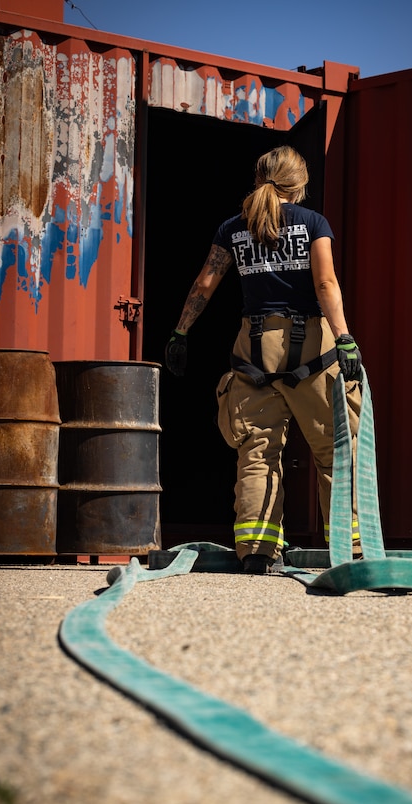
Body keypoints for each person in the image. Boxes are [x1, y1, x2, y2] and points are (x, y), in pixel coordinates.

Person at [164, 145, 362, 574]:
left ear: (259, 179)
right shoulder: (314, 223)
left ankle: (256, 551)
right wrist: (345, 338)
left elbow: (204, 284)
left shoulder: (234, 228)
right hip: (311, 346)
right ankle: (347, 552)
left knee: (257, 451)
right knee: (334, 451)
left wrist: (181, 332)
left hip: (253, 348)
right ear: (300, 183)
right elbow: (325, 282)